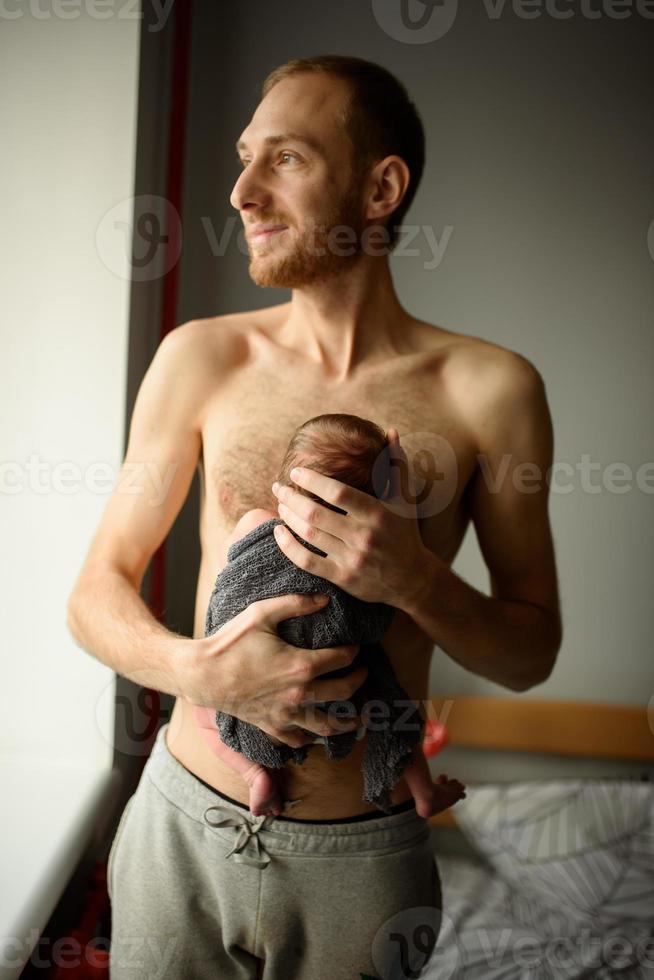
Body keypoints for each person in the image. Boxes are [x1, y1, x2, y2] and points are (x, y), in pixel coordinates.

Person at [67, 54, 562, 980]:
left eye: (285, 159)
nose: (243, 190)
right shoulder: (197, 359)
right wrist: (203, 673)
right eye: (245, 159)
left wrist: (411, 578)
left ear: (380, 187)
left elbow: (529, 654)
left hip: (363, 861)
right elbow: (94, 594)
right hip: (182, 826)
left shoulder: (493, 391)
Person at [194, 411, 467, 820]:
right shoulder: (366, 564)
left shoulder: (255, 523)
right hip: (347, 699)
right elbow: (377, 622)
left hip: (245, 688)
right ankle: (424, 789)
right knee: (398, 714)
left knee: (203, 712)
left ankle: (254, 776)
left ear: (286, 484)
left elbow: (226, 590)